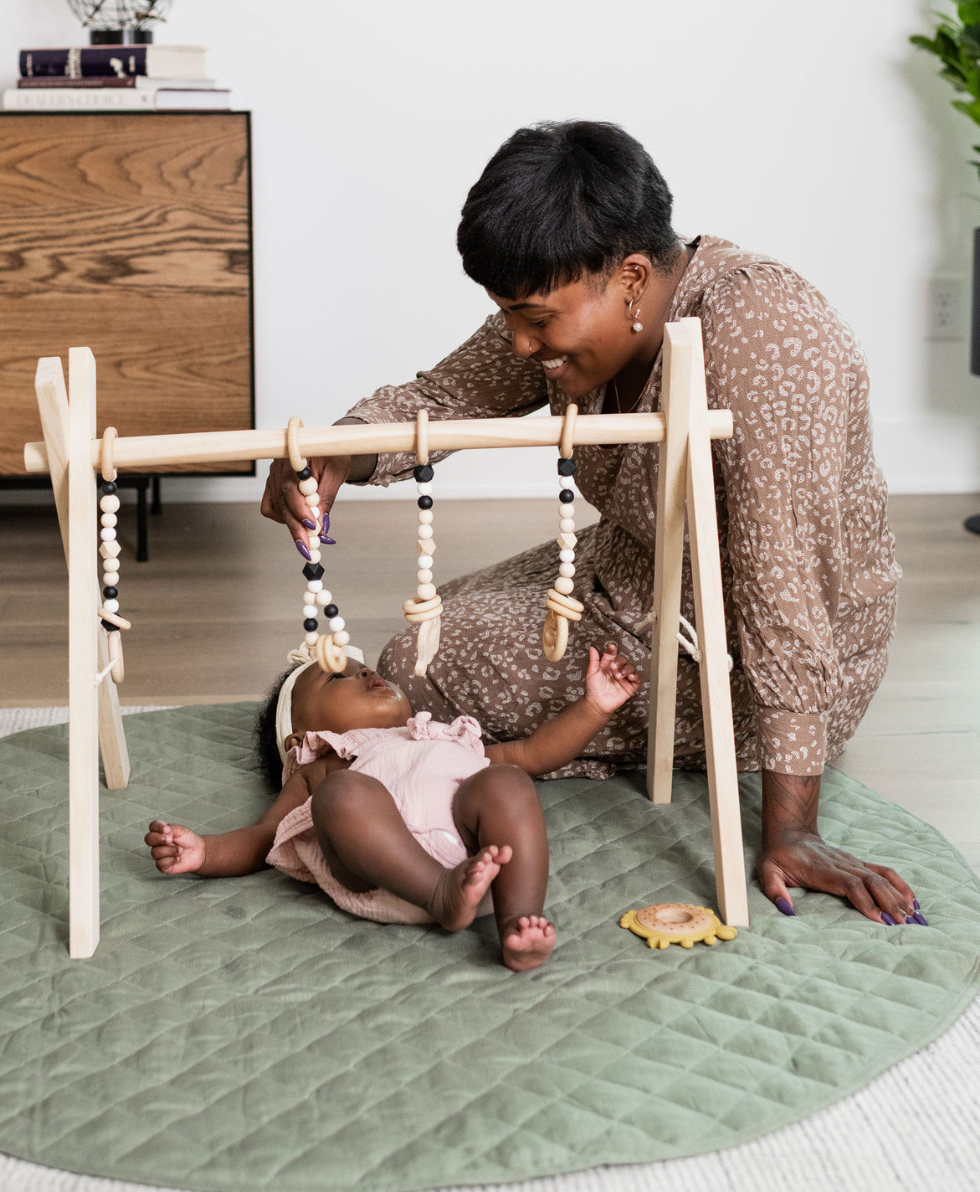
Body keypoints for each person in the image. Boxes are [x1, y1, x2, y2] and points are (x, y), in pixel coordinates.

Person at [260, 120, 926, 928]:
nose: (517, 341)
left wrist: (792, 826)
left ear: (634, 279)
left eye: (535, 320)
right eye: (507, 315)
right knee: (424, 651)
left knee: (415, 667)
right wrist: (333, 455)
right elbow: (447, 396)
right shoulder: (583, 286)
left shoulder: (769, 336)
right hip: (638, 565)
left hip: (754, 635)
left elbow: (783, 586)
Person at [146, 642, 640, 971]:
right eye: (339, 678)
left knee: (506, 781)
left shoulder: (449, 738)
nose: (367, 673)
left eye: (368, 669)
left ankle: (518, 921)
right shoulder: (327, 765)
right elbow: (262, 838)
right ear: (302, 733)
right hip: (381, 872)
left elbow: (536, 754)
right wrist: (205, 852)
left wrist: (593, 707)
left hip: (482, 864)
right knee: (341, 797)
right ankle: (439, 892)